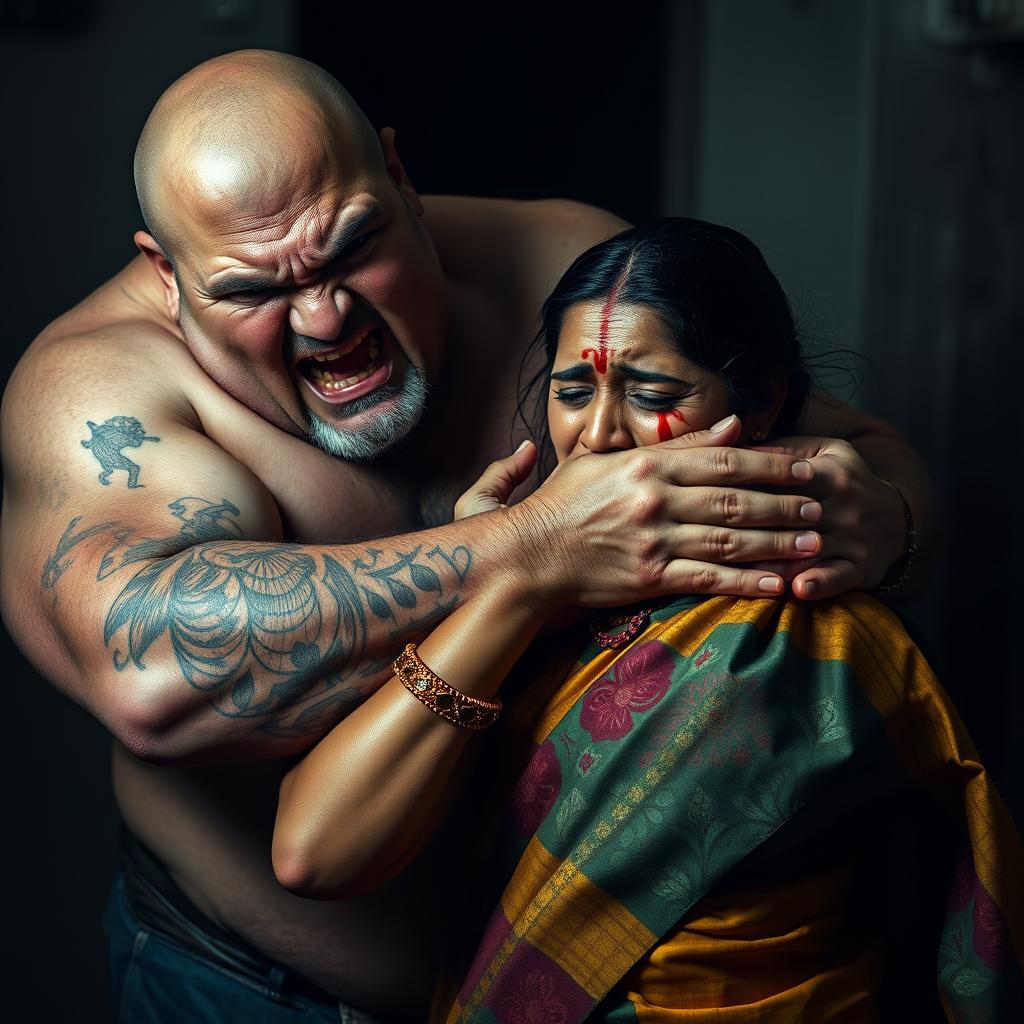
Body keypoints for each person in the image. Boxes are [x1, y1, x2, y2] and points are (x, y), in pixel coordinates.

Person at [0, 49, 932, 1023]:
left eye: (353, 246)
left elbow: (875, 454)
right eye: (251, 292)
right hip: (243, 990)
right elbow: (154, 678)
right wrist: (531, 550)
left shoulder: (562, 275)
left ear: (401, 180)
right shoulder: (100, 390)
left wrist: (887, 524)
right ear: (167, 274)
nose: (326, 317)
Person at [273, 220, 1023, 1022]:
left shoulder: (784, 642)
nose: (597, 434)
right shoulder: (564, 592)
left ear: (761, 402)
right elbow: (312, 851)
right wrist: (513, 571)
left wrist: (516, 577)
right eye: (570, 391)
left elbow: (322, 850)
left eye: (651, 394)